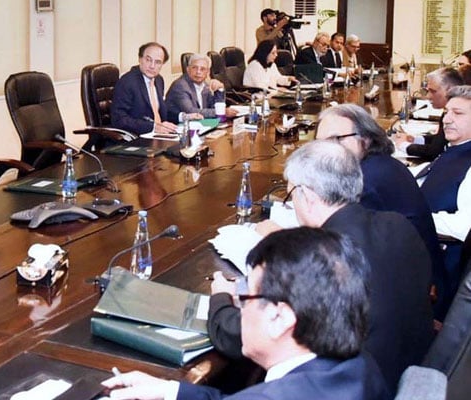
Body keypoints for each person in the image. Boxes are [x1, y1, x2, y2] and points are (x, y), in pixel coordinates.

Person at [211, 141, 433, 393]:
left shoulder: (327, 261)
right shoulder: (397, 224)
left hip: (351, 387)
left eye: (291, 194)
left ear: (308, 196)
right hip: (407, 371)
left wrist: (219, 299)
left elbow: (242, 336)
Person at [102, 227, 391, 400]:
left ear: (280, 318)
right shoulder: (361, 368)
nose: (240, 306)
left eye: (246, 296)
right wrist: (169, 391)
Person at [316, 104, 447, 318]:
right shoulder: (381, 166)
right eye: (321, 143)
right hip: (412, 283)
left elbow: (340, 253)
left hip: (413, 303)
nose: (327, 150)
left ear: (365, 139)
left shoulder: (367, 182)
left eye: (337, 139)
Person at [418, 85, 471, 302]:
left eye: (457, 114)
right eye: (446, 112)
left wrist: (411, 215)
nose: (446, 120)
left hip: (441, 275)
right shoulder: (455, 149)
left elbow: (463, 227)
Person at [393, 67, 463, 161]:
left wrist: (403, 145)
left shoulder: (458, 115)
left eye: (433, 91)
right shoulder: (450, 110)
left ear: (450, 90)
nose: (428, 96)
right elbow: (441, 140)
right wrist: (415, 139)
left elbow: (435, 151)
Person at [110, 42, 177, 134]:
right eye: (148, 60)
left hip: (157, 135)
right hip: (135, 138)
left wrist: (183, 116)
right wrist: (152, 127)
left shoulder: (158, 80)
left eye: (158, 62)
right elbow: (119, 119)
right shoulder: (127, 82)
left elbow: (158, 112)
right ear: (140, 59)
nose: (152, 66)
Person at [165, 53, 237, 123]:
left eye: (202, 69)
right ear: (188, 69)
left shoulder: (205, 85)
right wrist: (221, 112)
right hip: (178, 127)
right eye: (194, 68)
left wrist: (220, 89)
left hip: (200, 125)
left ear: (208, 72)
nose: (198, 72)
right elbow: (191, 112)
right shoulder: (180, 86)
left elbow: (214, 107)